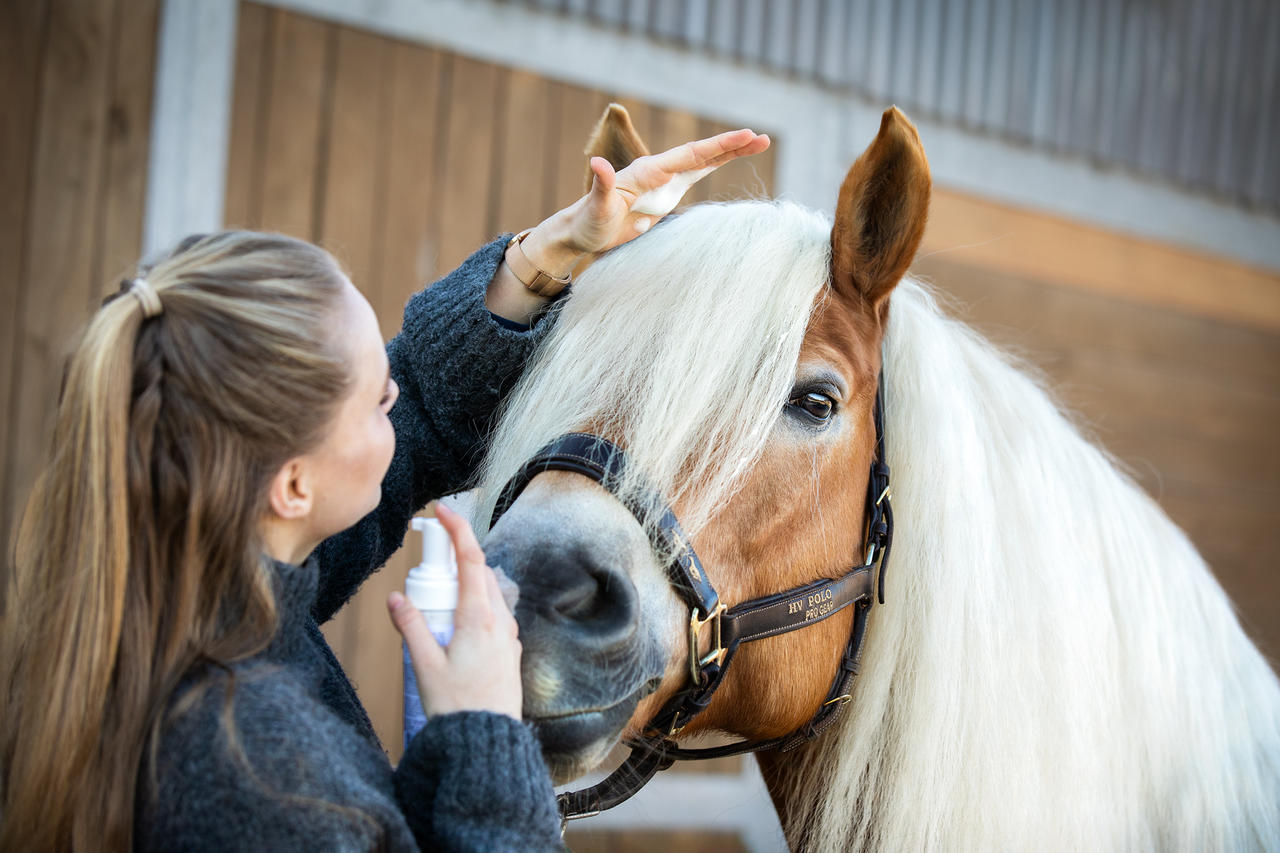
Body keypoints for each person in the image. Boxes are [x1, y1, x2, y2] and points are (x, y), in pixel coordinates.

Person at [0, 128, 769, 851]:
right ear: (294, 485)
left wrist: (551, 252)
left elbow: (428, 409)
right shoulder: (264, 780)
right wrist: (485, 734)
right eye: (375, 401)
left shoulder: (173, 599)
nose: (398, 401)